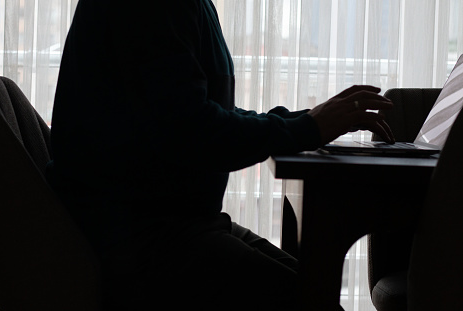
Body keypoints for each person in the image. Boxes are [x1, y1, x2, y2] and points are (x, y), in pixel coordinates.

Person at [47, 0, 394, 309]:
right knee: (307, 298)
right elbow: (191, 132)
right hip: (143, 242)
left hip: (164, 225)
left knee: (313, 291)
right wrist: (306, 128)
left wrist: (308, 122)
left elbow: (201, 113)